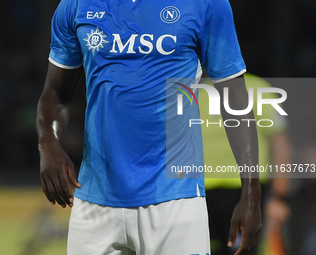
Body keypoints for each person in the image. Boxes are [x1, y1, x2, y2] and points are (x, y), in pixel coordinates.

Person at [36, 0, 261, 254]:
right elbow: (55, 94)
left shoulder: (205, 4)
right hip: (94, 199)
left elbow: (235, 98)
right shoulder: (76, 5)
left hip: (176, 199)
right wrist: (48, 143)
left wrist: (251, 190)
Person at [200, 74, 291, 255]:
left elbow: (281, 147)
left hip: (246, 193)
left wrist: (279, 196)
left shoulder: (259, 88)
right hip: (200, 195)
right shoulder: (192, 91)